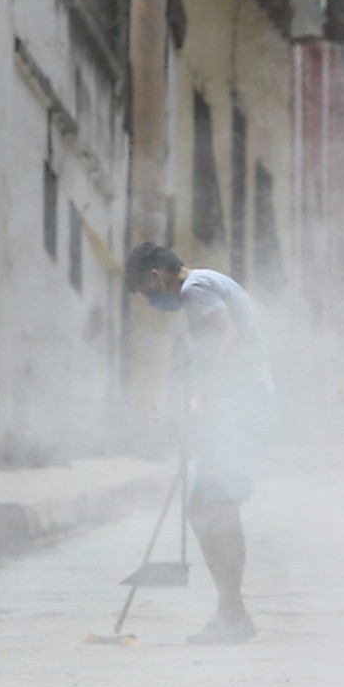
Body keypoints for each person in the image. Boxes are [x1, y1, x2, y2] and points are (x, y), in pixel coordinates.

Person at [125, 242, 274, 645]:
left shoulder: (195, 290)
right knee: (214, 509)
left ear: (156, 277)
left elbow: (227, 339)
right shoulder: (206, 286)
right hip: (238, 410)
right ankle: (232, 611)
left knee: (211, 508)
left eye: (146, 291)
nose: (153, 301)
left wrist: (203, 399)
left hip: (241, 410)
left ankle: (233, 613)